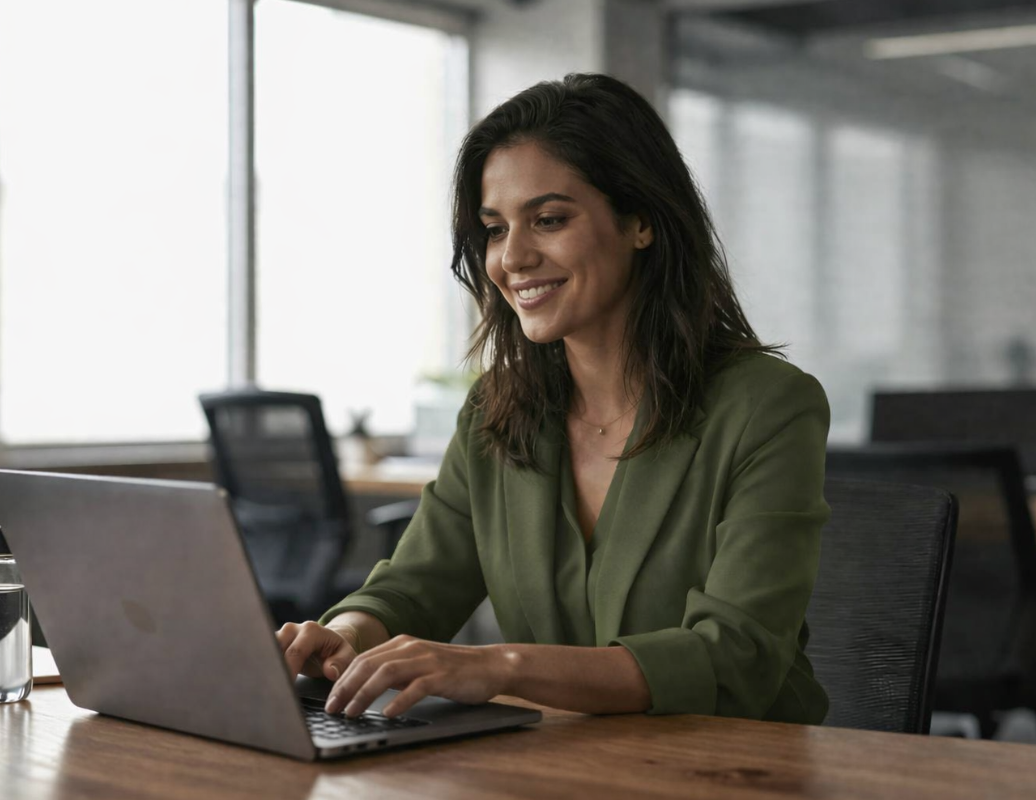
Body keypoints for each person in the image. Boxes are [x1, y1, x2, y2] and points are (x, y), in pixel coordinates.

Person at [276, 73, 830, 724]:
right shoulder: (495, 413)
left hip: (735, 774)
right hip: (561, 771)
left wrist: (497, 666)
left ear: (641, 221)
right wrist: (344, 634)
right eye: (494, 228)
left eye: (549, 220)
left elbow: (735, 658)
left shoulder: (767, 407)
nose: (512, 258)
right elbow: (416, 585)